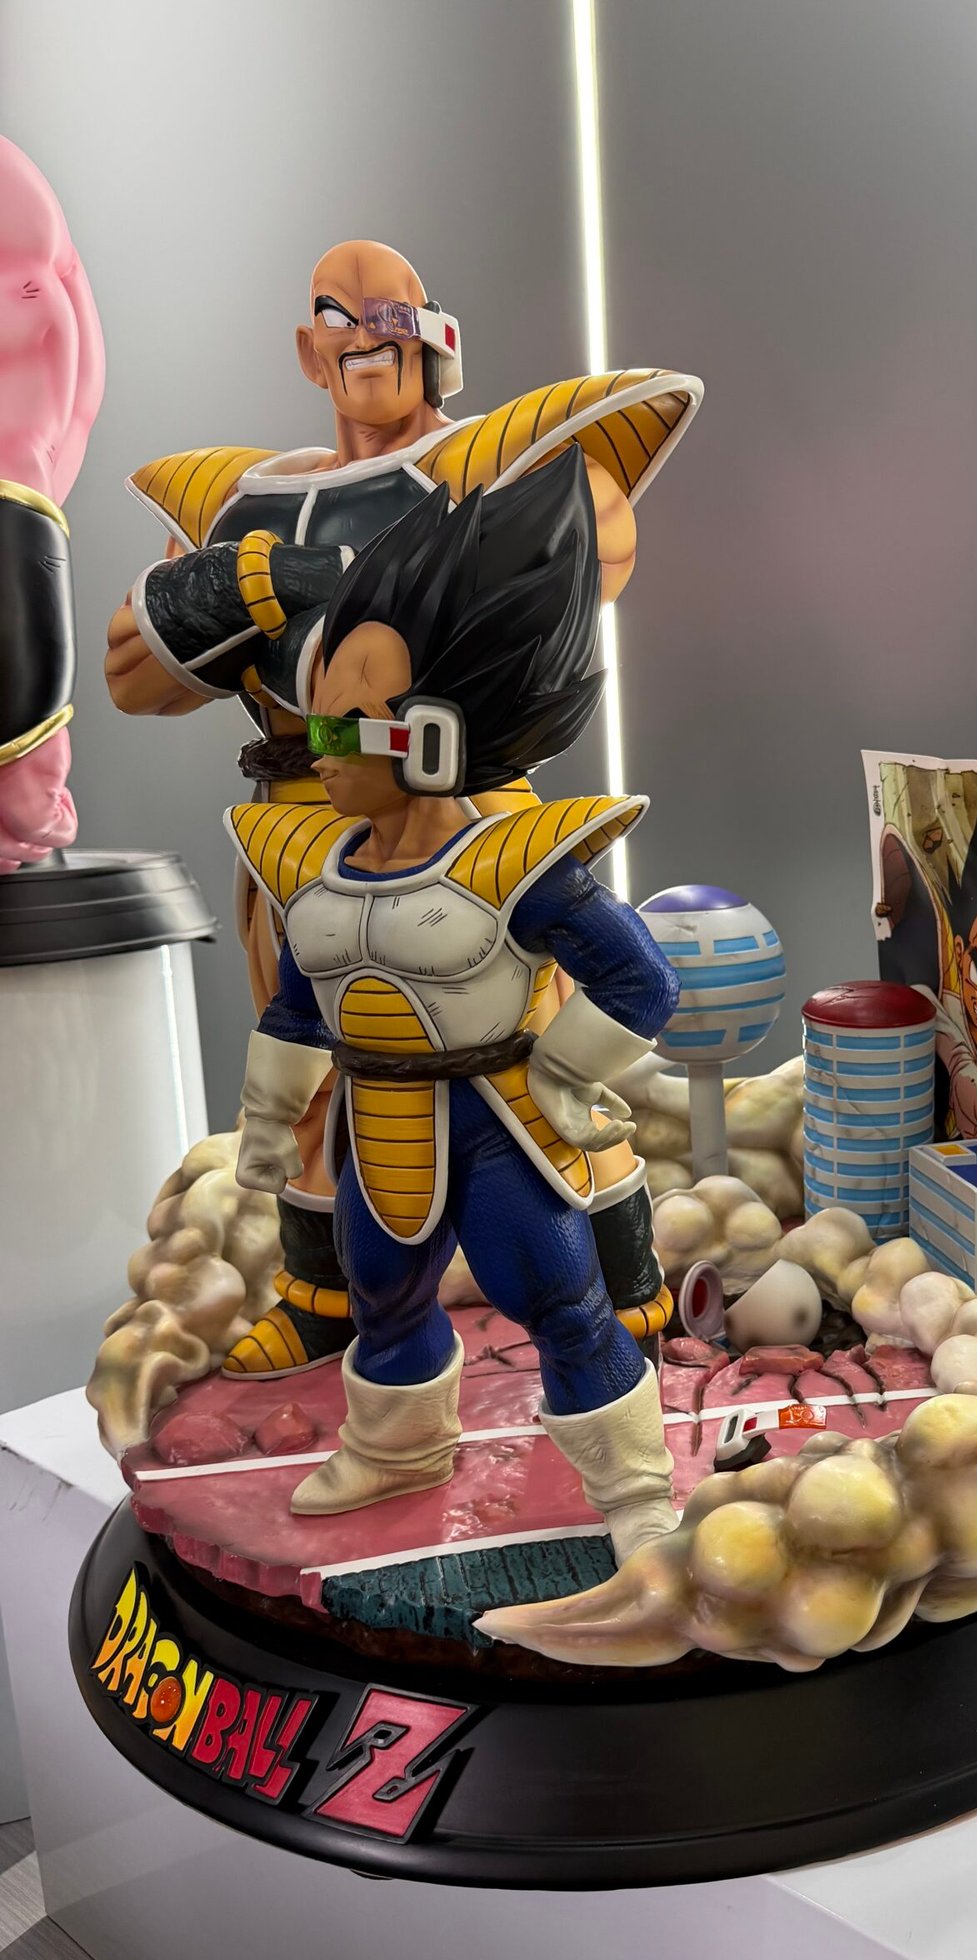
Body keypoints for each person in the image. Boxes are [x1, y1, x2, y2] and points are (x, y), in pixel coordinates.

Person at [105, 237, 699, 1378]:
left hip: (468, 813)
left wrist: (459, 552)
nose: (369, 338)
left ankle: (623, 1287)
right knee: (317, 1065)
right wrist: (224, 589)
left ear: (437, 340)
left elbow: (593, 555)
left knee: (532, 1054)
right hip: (302, 815)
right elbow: (133, 676)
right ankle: (327, 1299)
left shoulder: (502, 463)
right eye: (341, 317)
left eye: (393, 317)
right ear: (309, 349)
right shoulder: (238, 499)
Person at [227, 448, 680, 1559]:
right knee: (380, 1292)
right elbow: (301, 1007)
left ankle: (633, 1491)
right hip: (375, 1118)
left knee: (558, 1294)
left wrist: (564, 1070)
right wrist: (266, 1119)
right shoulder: (317, 869)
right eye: (317, 725)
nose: (321, 752)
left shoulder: (510, 863)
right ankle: (396, 1448)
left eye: (346, 728)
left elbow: (640, 978)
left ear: (430, 735)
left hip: (496, 1123)